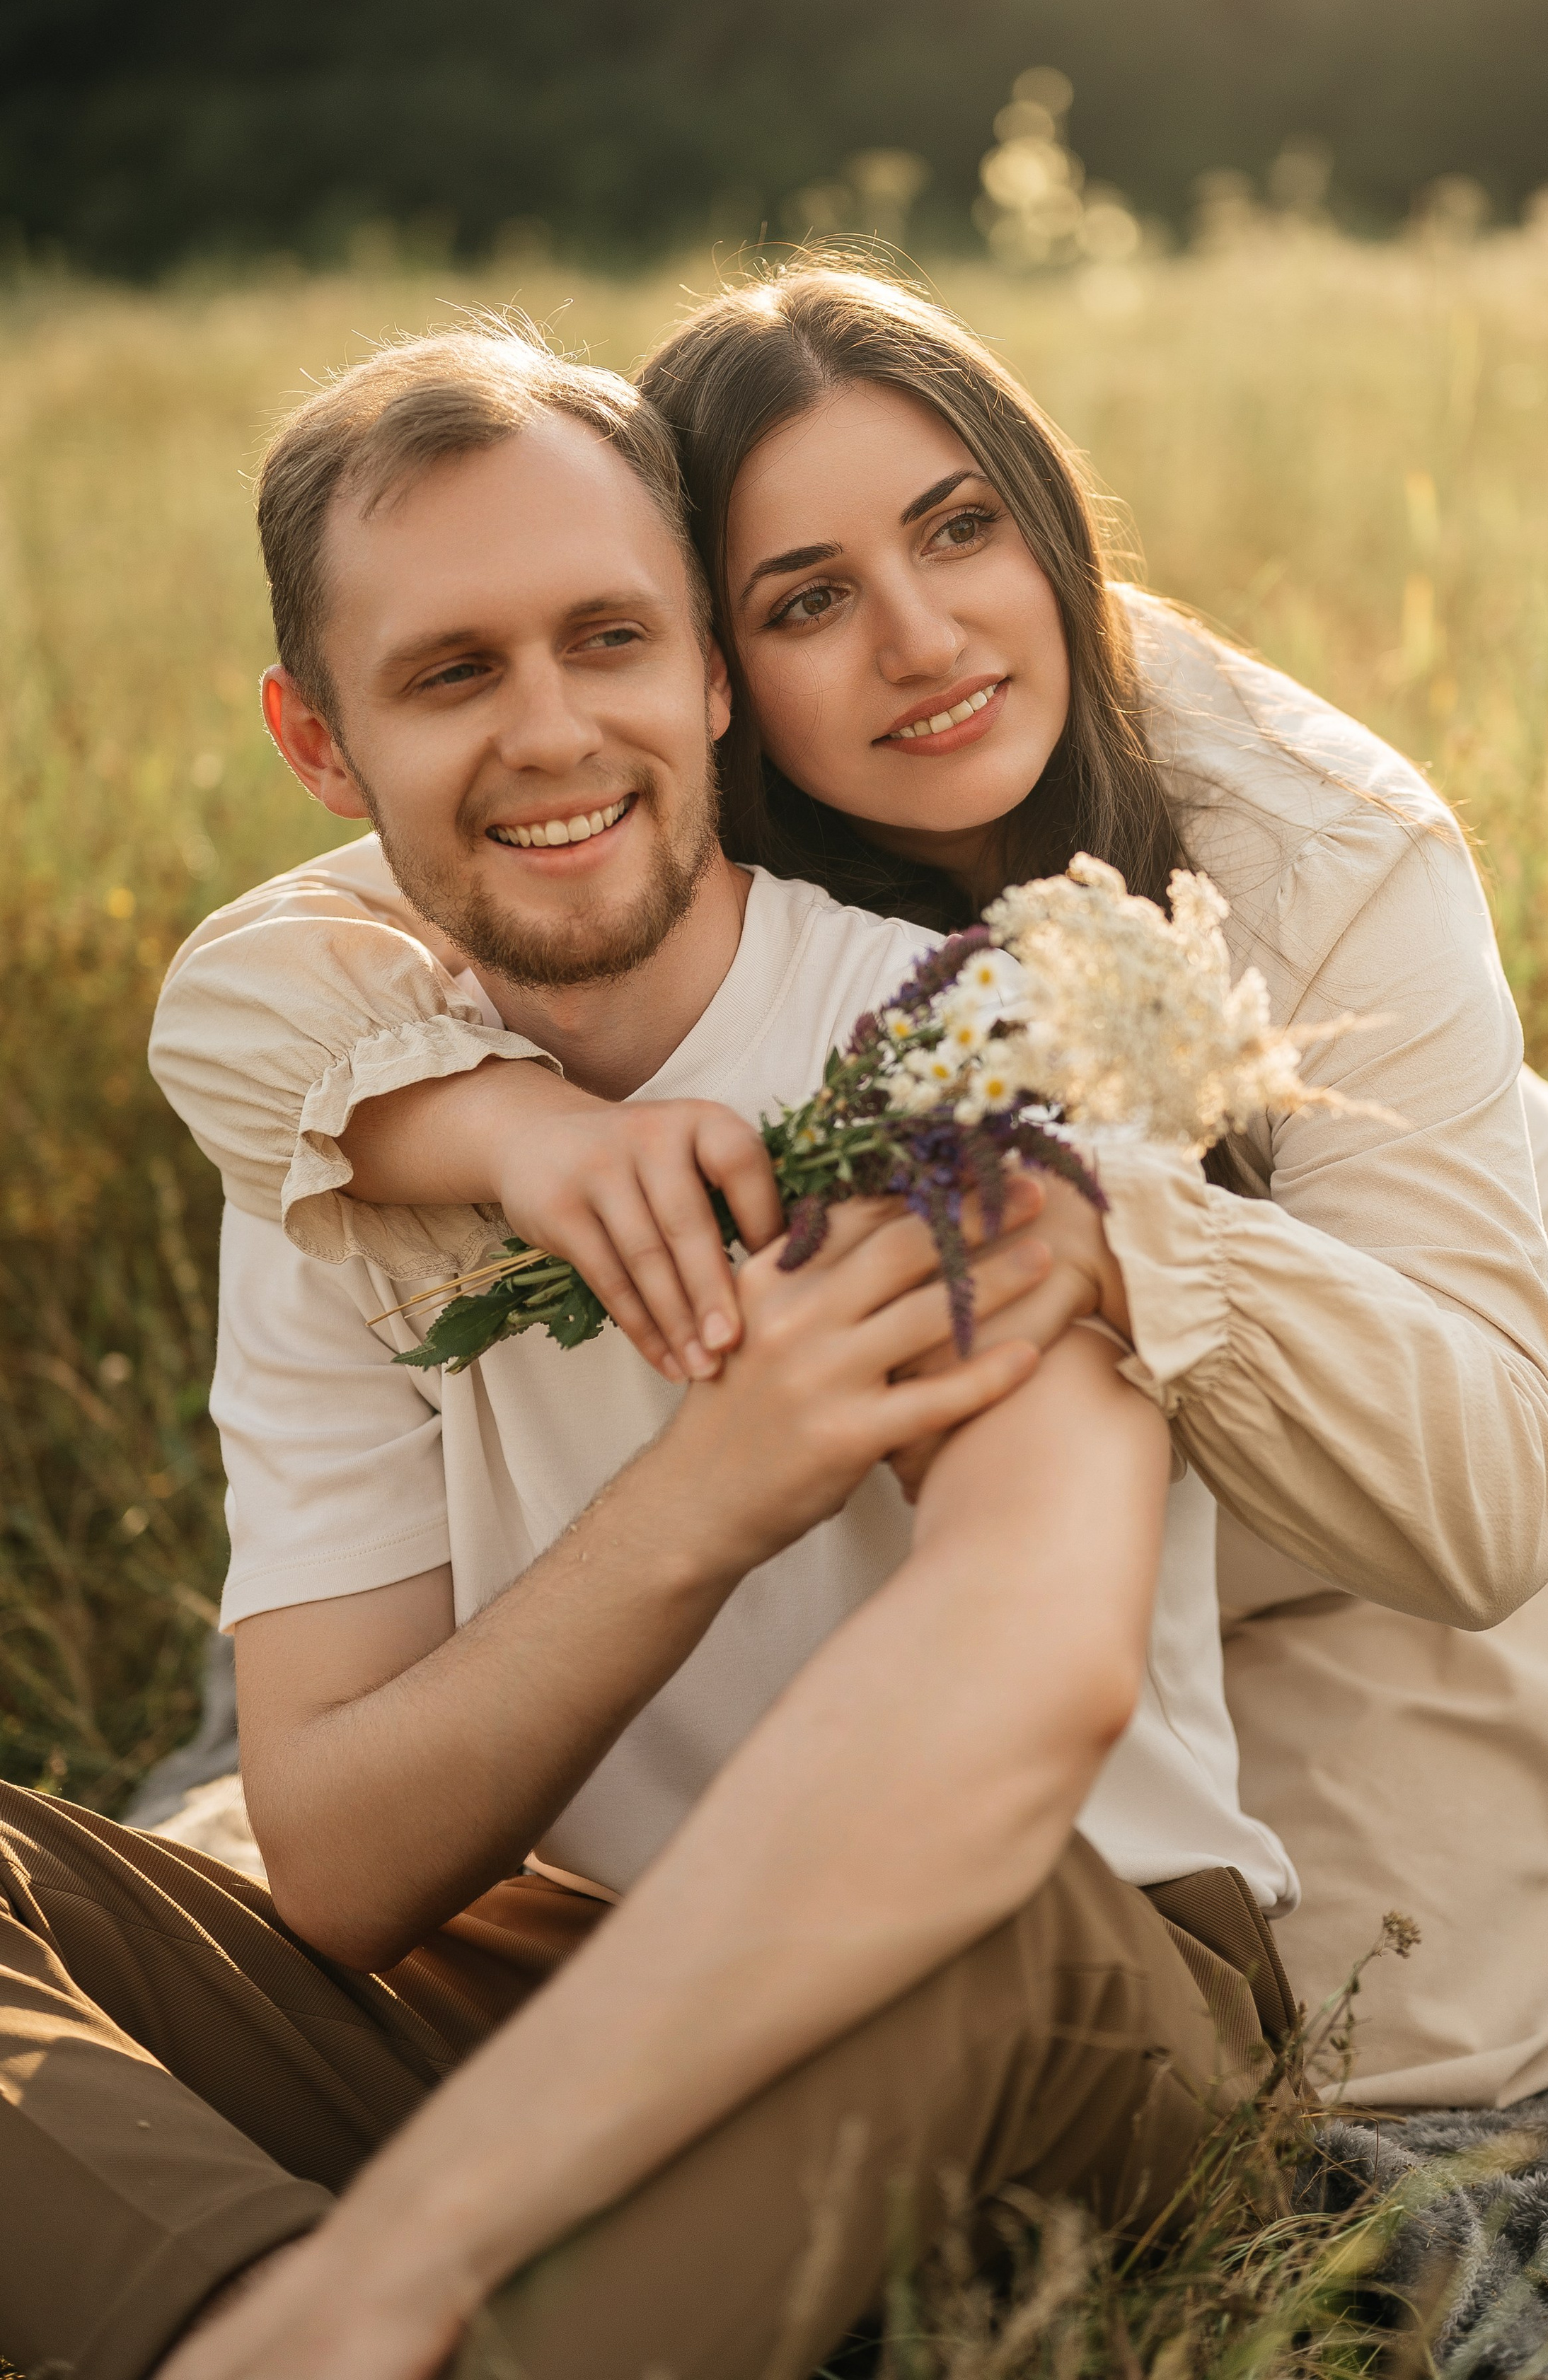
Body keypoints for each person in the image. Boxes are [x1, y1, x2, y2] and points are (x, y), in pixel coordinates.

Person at [151, 264, 1548, 2108]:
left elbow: (1484, 1514)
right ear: (712, 655)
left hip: (1444, 1413)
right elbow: (246, 982)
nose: (925, 640)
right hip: (1049, 1509)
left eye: (964, 529)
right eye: (811, 598)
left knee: (1307, 2038)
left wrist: (1116, 1222)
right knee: (795, 1933)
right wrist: (509, 1132)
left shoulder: (1320, 836)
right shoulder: (617, 774)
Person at [1, 328, 1349, 2380]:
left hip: (1065, 1986)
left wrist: (414, 2248)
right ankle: (244, 2323)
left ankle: (368, 2305)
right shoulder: (346, 1136)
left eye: (609, 641)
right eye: (451, 674)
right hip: (582, 1974)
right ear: (317, 742)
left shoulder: (970, 1056)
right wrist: (700, 1503)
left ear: (712, 677)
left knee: (987, 1947)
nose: (549, 732)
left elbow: (1020, 1688)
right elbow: (349, 1862)